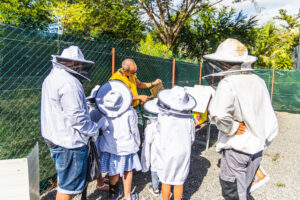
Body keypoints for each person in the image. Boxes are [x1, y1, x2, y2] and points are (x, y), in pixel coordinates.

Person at [205, 38, 278, 200]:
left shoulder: (228, 83)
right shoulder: (259, 81)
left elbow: (220, 114)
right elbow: (268, 115)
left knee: (232, 193)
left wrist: (231, 128)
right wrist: (263, 141)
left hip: (238, 149)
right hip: (257, 148)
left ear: (224, 62)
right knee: (243, 189)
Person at [41, 46, 108, 200]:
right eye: (75, 63)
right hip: (69, 142)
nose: (78, 67)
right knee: (68, 188)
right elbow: (77, 118)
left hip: (54, 136)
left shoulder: (52, 77)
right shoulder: (70, 83)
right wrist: (95, 129)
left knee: (63, 178)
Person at [95, 80, 141, 200]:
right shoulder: (130, 112)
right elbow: (134, 130)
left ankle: (113, 195)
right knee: (128, 171)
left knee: (113, 171)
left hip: (110, 147)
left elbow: (101, 127)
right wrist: (137, 143)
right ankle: (127, 196)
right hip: (126, 147)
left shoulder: (104, 112)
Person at [150, 86, 196, 200]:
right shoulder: (189, 118)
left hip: (166, 151)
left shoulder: (163, 117)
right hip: (183, 151)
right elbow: (192, 138)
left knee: (166, 180)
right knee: (179, 181)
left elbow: (158, 135)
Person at [141, 98, 161, 197]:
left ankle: (155, 188)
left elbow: (146, 145)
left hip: (155, 151)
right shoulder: (168, 123)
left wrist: (145, 164)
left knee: (155, 166)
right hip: (167, 151)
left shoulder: (151, 127)